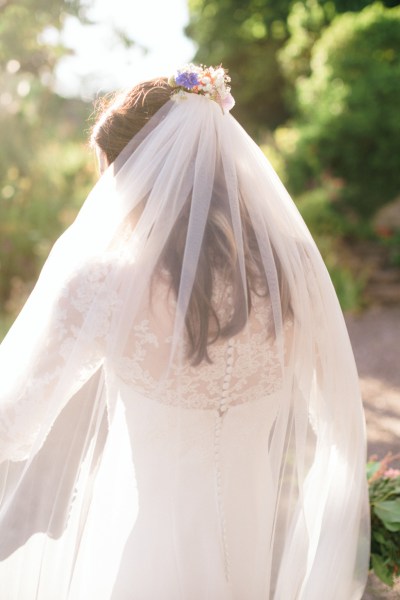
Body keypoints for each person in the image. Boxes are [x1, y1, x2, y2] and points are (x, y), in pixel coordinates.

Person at [0, 64, 369, 599]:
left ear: (136, 174)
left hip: (144, 556)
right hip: (250, 556)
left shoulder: (103, 283)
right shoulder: (290, 278)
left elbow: (11, 422)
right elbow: (340, 420)